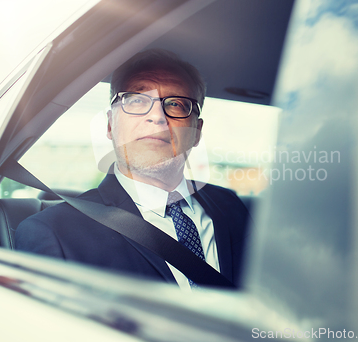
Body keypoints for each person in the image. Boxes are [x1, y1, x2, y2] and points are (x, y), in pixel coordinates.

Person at [15, 49, 250, 290]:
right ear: (109, 125)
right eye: (136, 100)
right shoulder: (54, 232)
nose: (157, 117)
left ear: (197, 132)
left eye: (177, 104)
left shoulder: (232, 207)